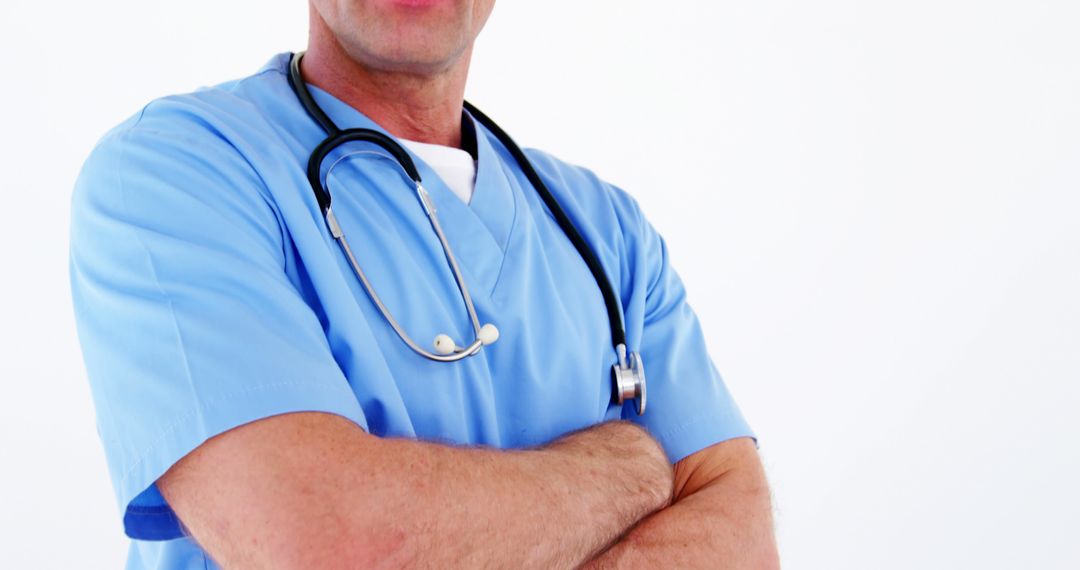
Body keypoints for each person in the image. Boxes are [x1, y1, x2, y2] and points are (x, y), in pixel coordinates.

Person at [69, 1, 779, 568]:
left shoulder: (606, 231)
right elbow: (324, 547)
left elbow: (741, 542)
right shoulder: (176, 174)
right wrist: (631, 468)